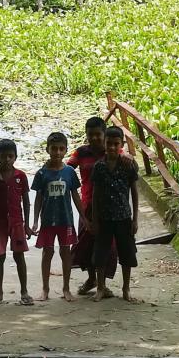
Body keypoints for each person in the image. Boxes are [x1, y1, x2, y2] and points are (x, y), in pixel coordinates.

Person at [31, 132, 87, 302]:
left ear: (66, 151)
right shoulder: (42, 173)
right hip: (48, 220)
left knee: (65, 252)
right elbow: (38, 198)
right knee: (47, 253)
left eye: (61, 149)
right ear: (47, 149)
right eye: (53, 148)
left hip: (65, 220)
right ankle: (45, 289)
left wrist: (84, 217)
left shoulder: (70, 172)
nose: (57, 152)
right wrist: (35, 221)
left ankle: (66, 288)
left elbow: (76, 196)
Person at [68, 116, 118, 296]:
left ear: (104, 134)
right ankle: (92, 279)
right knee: (86, 244)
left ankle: (102, 284)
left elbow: (127, 168)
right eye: (91, 135)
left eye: (98, 134)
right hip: (87, 205)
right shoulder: (80, 153)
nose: (95, 138)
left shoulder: (113, 152)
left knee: (106, 246)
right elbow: (67, 168)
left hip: (109, 206)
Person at [0, 139, 34, 306]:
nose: (7, 160)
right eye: (3, 156)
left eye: (11, 156)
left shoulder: (21, 176)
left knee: (19, 256)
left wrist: (27, 224)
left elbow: (26, 200)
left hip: (17, 222)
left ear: (16, 157)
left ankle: (24, 292)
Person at [91, 126, 140, 303]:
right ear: (104, 143)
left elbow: (134, 192)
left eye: (115, 144)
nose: (111, 147)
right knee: (101, 254)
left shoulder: (128, 165)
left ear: (121, 144)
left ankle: (126, 288)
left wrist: (135, 218)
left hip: (123, 217)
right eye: (109, 144)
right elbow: (95, 194)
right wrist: (94, 219)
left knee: (127, 254)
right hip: (104, 218)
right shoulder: (99, 167)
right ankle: (100, 287)